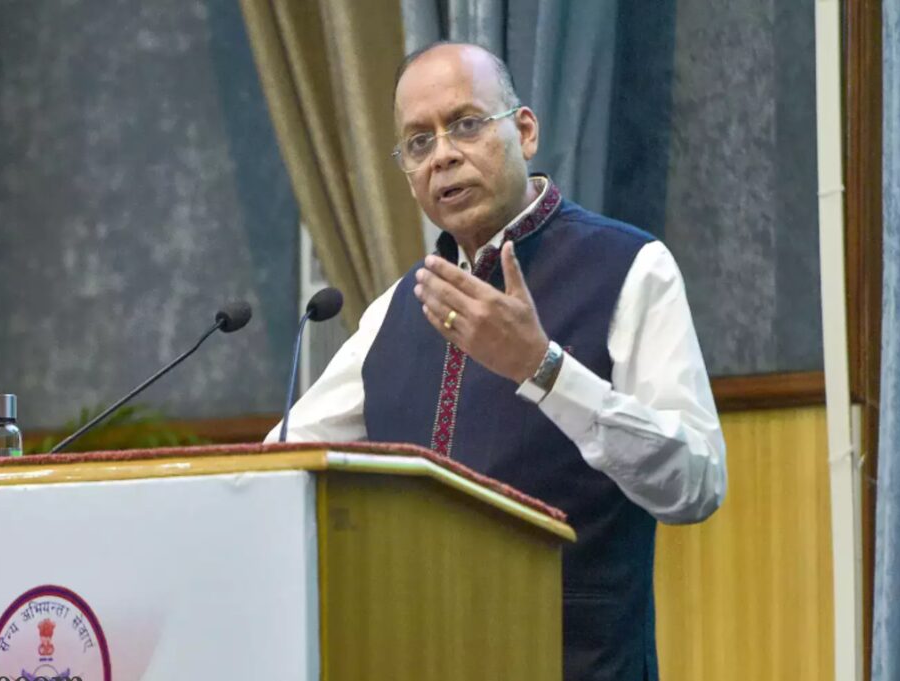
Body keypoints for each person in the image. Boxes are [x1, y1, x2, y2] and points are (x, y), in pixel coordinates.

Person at [267, 41, 726, 681]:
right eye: (418, 143)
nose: (444, 155)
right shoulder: (392, 313)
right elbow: (277, 468)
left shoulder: (631, 268)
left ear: (526, 130)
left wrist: (546, 369)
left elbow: (697, 483)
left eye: (466, 124)